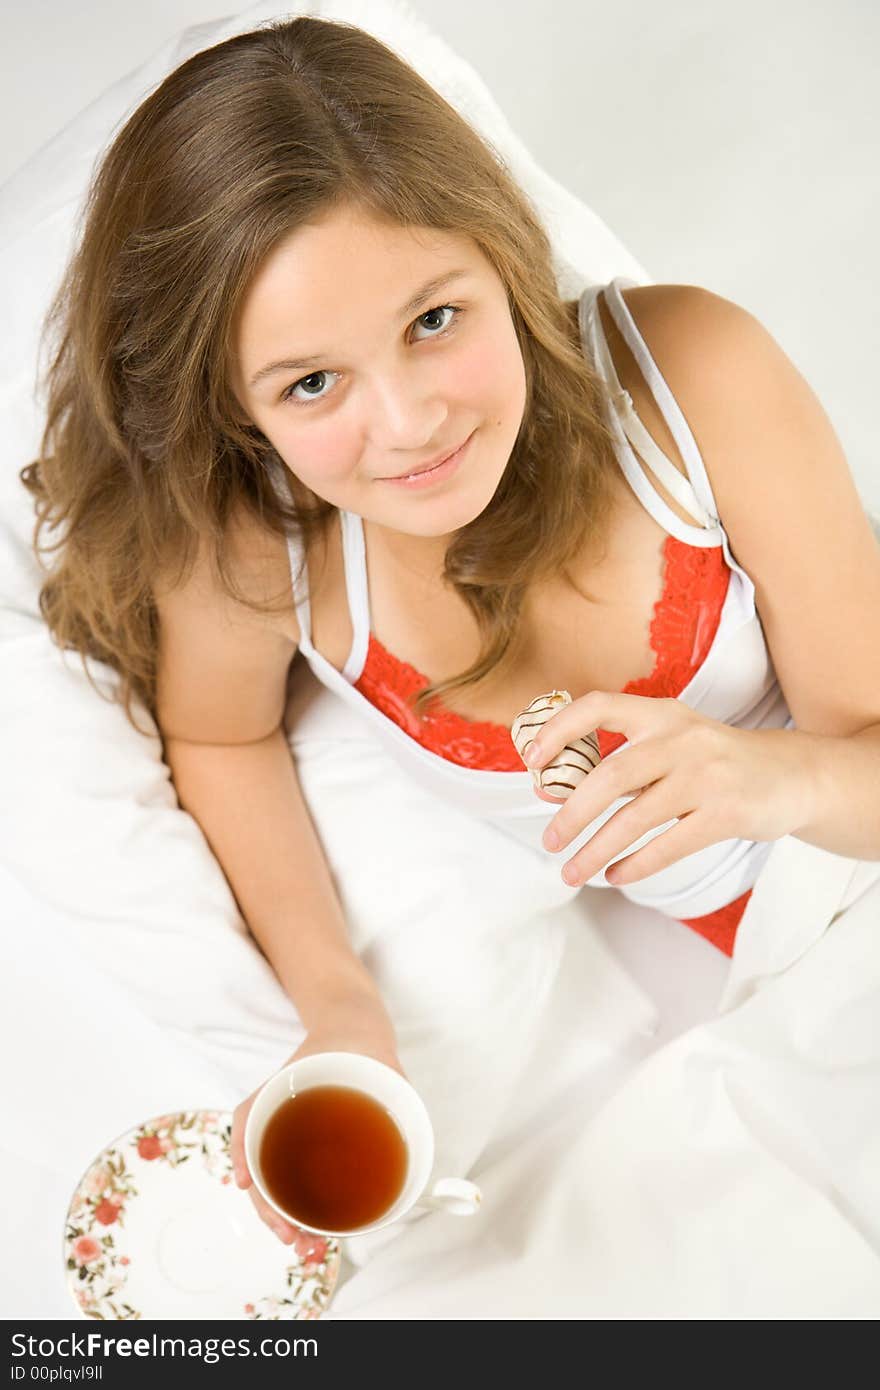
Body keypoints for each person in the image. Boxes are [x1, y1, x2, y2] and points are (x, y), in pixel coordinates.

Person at [18, 16, 880, 1251]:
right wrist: (338, 1009)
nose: (411, 423)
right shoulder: (259, 545)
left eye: (434, 319)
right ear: (234, 407)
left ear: (503, 253)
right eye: (311, 383)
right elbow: (221, 740)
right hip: (750, 981)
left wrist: (771, 775)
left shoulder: (694, 373)